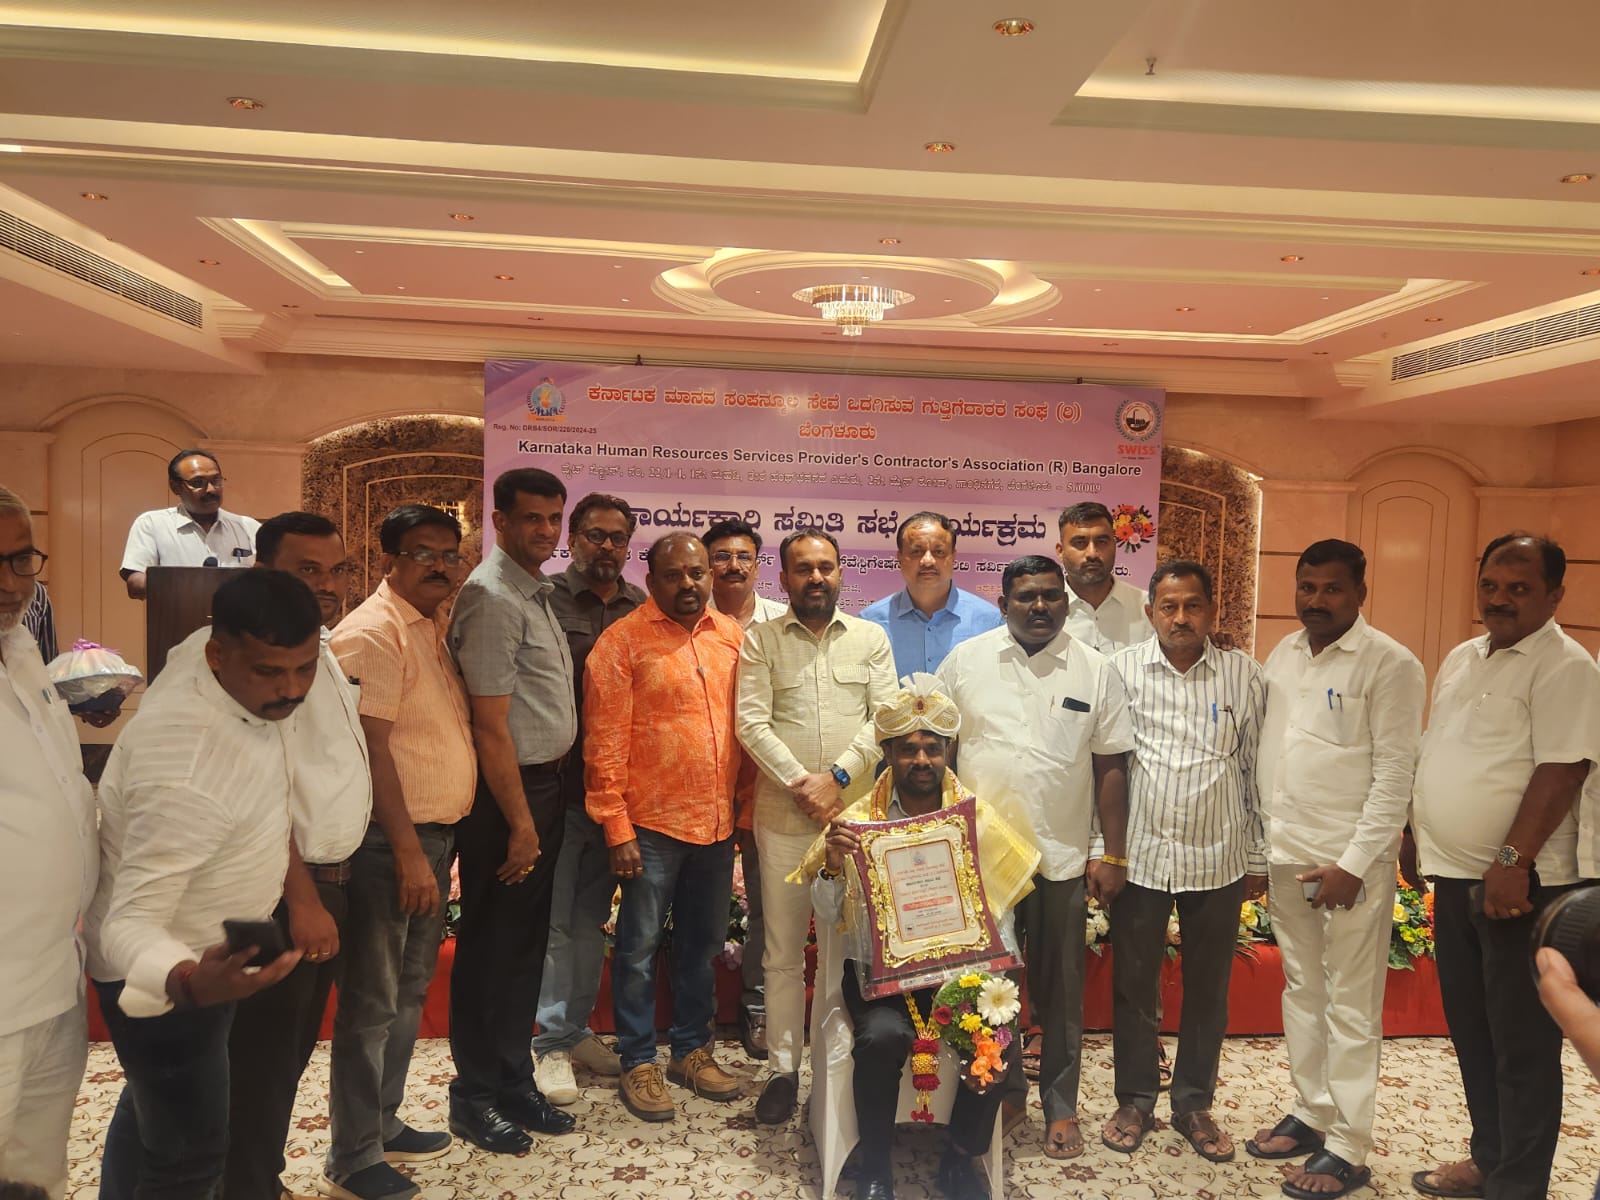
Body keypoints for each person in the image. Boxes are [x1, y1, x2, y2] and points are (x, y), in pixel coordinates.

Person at [84, 569, 317, 1199]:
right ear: (218, 655)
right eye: (270, 671)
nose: (291, 690)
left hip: (205, 954)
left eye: (305, 668)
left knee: (154, 1125)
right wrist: (187, 980)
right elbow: (127, 923)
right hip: (169, 976)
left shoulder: (213, 666)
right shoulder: (188, 766)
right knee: (189, 1159)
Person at [797, 675, 1040, 1200]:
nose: (922, 760)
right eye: (908, 749)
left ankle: (960, 1158)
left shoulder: (975, 820)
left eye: (933, 747)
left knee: (997, 1029)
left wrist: (994, 978)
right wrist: (833, 865)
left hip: (960, 971)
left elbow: (999, 914)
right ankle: (875, 1166)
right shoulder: (857, 824)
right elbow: (828, 914)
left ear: (949, 751)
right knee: (881, 1037)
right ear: (887, 754)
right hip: (880, 974)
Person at [1411, 533, 1600, 1200]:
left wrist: (1512, 861)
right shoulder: (1464, 657)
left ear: (1554, 595)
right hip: (1457, 877)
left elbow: (1563, 769)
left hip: (1521, 885)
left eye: (1519, 588)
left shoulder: (1565, 665)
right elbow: (1441, 749)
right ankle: (1489, 1158)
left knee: (1520, 1045)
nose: (1500, 599)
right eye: (1491, 585)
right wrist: (1415, 830)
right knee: (1473, 1032)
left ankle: (1517, 1185)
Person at [189, 513, 370, 1200]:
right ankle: (245, 1187)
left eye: (336, 570)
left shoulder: (316, 647)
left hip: (326, 883)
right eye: (307, 570)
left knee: (282, 1058)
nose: (327, 584)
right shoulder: (254, 663)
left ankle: (255, 1180)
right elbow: (262, 788)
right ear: (263, 570)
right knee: (259, 1063)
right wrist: (303, 899)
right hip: (283, 889)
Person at [936, 554, 1134, 1160]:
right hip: (983, 860)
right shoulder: (965, 662)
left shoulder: (1096, 669)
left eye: (1051, 595)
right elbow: (937, 752)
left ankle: (1061, 1104)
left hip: (1060, 857)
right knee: (990, 988)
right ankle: (1004, 1093)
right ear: (1003, 604)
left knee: (1061, 990)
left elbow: (1110, 765)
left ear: (1066, 603)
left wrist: (1113, 853)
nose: (1040, 606)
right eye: (1026, 596)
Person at [1248, 539, 1426, 1199]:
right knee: (1302, 989)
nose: (1317, 600)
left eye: (1332, 589)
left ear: (1360, 592)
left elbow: (1395, 776)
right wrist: (1261, 850)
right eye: (1307, 587)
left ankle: (1349, 1144)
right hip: (1287, 853)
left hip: (1349, 864)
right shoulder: (1284, 653)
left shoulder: (1390, 663)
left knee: (1351, 1001)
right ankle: (1312, 1110)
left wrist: (1355, 863)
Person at [325, 505, 477, 1200]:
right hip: (391, 843)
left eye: (449, 554)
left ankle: (383, 1122)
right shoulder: (373, 632)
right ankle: (353, 1156)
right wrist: (413, 854)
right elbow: (373, 751)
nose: (440, 566)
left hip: (427, 839)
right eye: (423, 553)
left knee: (408, 992)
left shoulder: (430, 624)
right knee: (371, 1003)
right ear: (389, 559)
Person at [1101, 560, 1267, 1163]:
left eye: (1192, 605)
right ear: (1149, 612)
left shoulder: (1245, 677)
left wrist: (1258, 856)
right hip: (1141, 855)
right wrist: (1105, 851)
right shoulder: (1120, 671)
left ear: (1211, 611)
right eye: (1168, 607)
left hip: (1218, 855)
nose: (1180, 618)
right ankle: (1135, 1099)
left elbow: (1256, 769)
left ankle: (1194, 1101)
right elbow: (1106, 767)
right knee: (1133, 986)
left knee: (1208, 989)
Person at [735, 528, 897, 1125]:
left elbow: (884, 720)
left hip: (852, 824)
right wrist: (804, 785)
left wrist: (838, 777)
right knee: (781, 952)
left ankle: (835, 1071)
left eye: (825, 566)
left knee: (843, 951)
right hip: (783, 819)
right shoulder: (761, 640)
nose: (816, 578)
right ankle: (783, 1070)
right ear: (783, 578)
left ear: (841, 572)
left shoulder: (871, 638)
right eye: (803, 568)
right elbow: (751, 723)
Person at [583, 533, 746, 1120]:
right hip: (650, 827)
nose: (689, 585)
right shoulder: (621, 643)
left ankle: (690, 1051)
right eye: (674, 575)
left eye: (697, 573)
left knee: (702, 948)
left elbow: (746, 727)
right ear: (650, 582)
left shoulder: (731, 637)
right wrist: (617, 827)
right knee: (637, 949)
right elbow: (603, 743)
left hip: (716, 825)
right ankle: (637, 1060)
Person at [445, 468, 580, 1151]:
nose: (545, 531)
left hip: (542, 790)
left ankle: (510, 1079)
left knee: (522, 948)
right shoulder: (493, 597)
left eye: (553, 518)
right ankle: (473, 1096)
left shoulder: (534, 590)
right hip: (509, 801)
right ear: (499, 520)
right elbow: (489, 726)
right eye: (531, 518)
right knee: (491, 950)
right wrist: (522, 824)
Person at [0, 488, 96, 1200]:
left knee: (36, 1175)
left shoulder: (22, 646)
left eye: (20, 560)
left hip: (53, 979)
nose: (10, 583)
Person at [532, 493, 644, 1104]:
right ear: (571, 538)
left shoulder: (642, 608)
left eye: (617, 537)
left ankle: (573, 1030)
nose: (606, 546)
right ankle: (549, 1042)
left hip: (614, 799)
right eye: (595, 535)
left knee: (587, 921)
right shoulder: (545, 600)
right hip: (556, 789)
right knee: (554, 923)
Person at [703, 517, 785, 1059]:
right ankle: (699, 1013)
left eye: (743, 557)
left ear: (759, 566)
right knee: (702, 907)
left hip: (766, 788)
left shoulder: (781, 623)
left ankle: (759, 1006)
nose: (733, 566)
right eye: (721, 557)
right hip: (704, 787)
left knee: (766, 906)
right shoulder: (689, 620)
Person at [859, 511, 1002, 677]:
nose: (927, 561)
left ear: (953, 557)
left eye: (939, 552)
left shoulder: (991, 622)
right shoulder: (870, 623)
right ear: (900, 558)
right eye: (916, 551)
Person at [120, 449, 259, 599]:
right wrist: (191, 584)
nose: (211, 489)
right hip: (178, 613)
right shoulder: (152, 524)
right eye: (198, 482)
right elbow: (135, 585)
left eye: (216, 480)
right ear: (175, 487)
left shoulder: (249, 527)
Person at [1055, 501, 1152, 654]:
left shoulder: (1147, 607)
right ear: (1060, 551)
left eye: (1101, 542)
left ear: (1114, 546)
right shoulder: (1045, 611)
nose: (1092, 553)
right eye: (1080, 543)